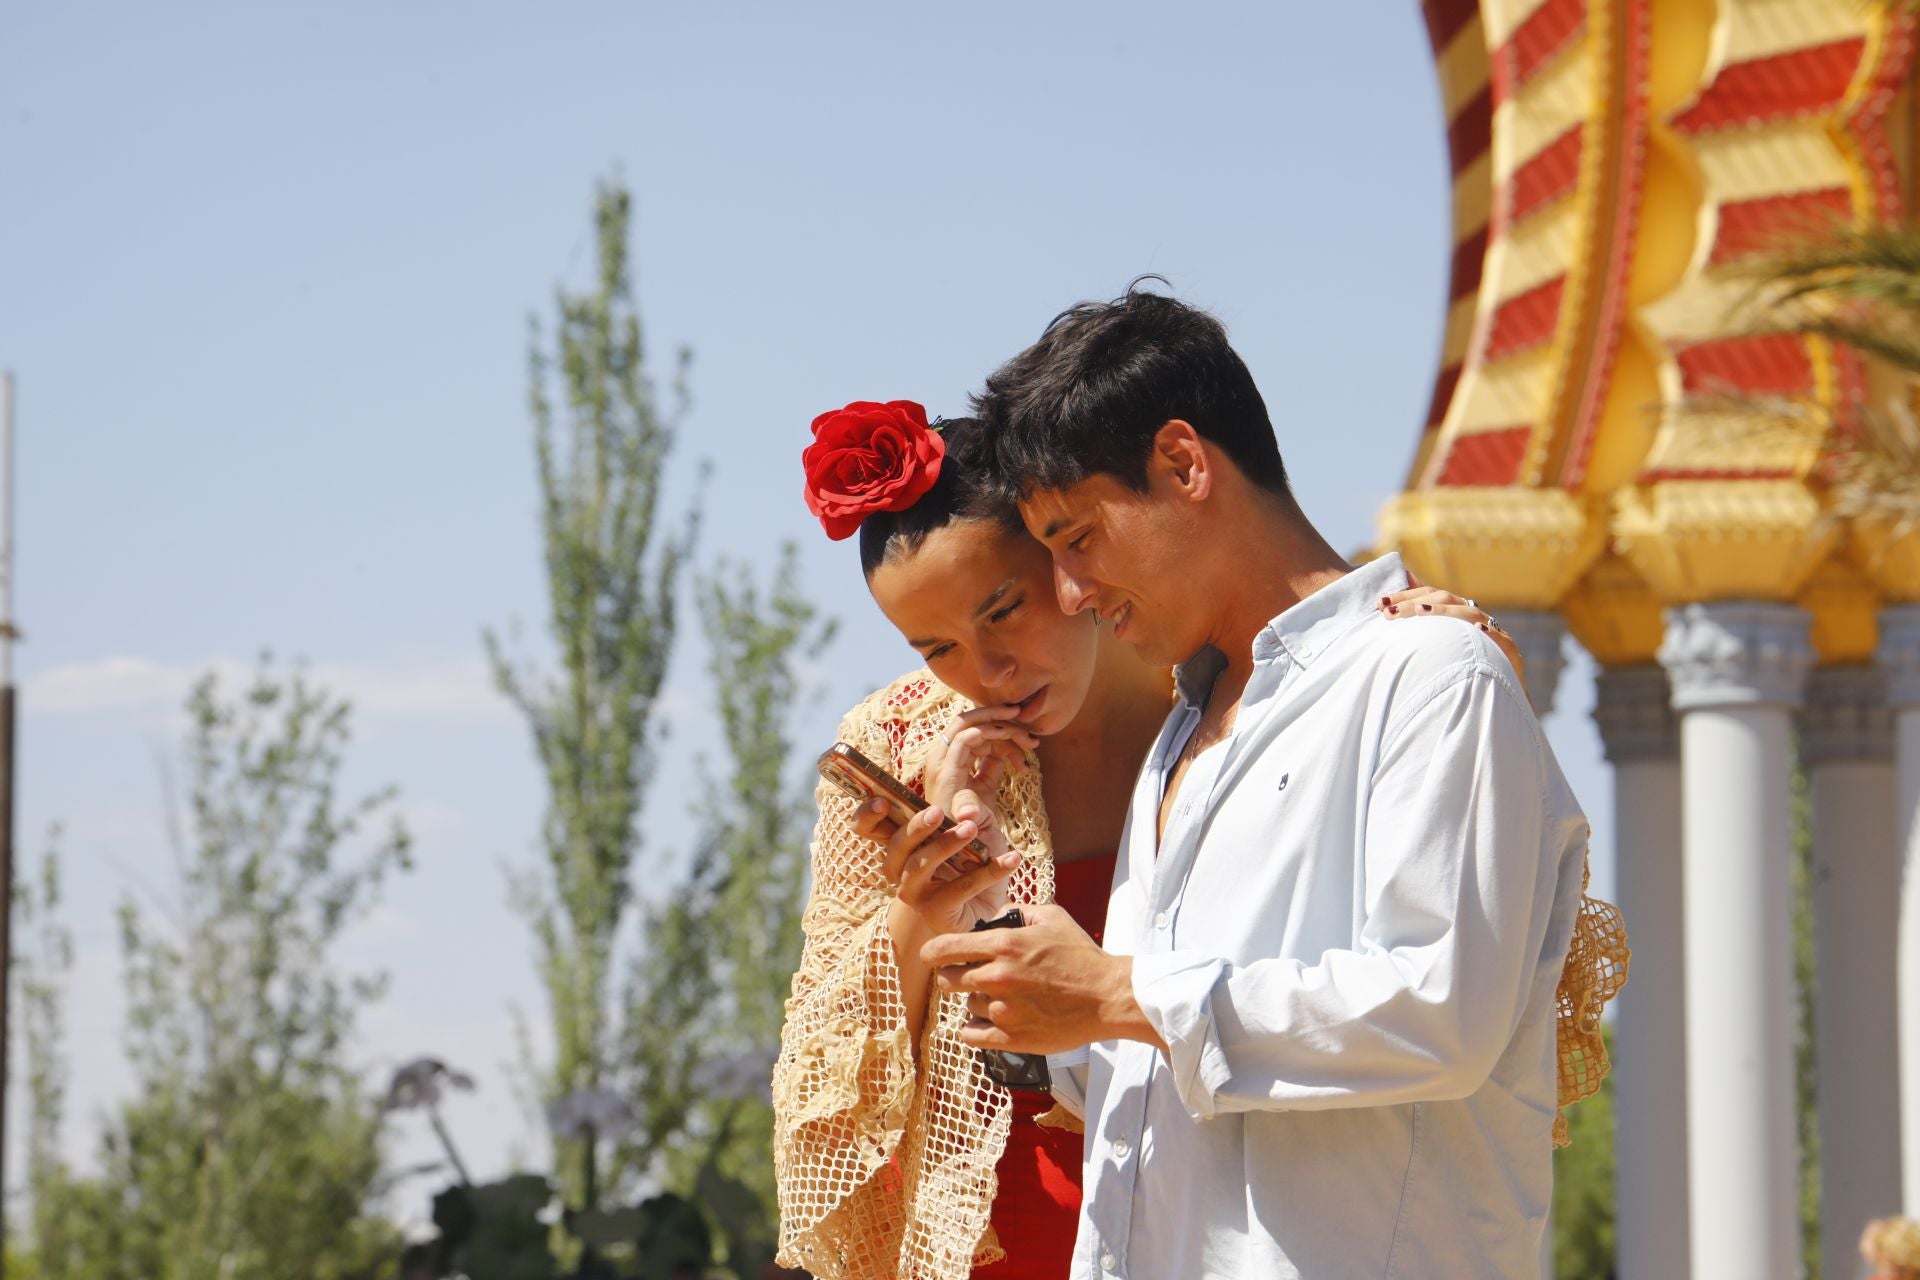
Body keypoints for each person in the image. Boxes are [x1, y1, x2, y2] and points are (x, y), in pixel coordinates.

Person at [909, 287, 1618, 1278]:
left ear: (1184, 464)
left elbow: (1441, 1009)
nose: (1069, 592)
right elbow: (1152, 1083)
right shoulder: (1184, 731)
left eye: (1077, 538)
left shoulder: (1428, 676)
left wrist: (1119, 991)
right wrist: (992, 913)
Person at [770, 398, 1529, 1280]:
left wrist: (1399, 664)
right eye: (936, 647)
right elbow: (820, 1089)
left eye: (1004, 611)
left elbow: (1444, 974)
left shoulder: (1245, 703)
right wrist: (926, 901)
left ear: (1067, 558)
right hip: (979, 1239)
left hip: (1231, 1230)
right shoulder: (900, 742)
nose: (986, 672)